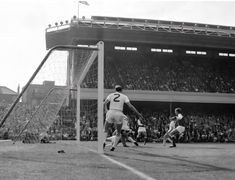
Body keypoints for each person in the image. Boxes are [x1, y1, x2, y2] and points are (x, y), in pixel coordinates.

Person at [103, 85, 143, 151]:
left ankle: (103, 142)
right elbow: (130, 106)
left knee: (106, 129)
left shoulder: (111, 95)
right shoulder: (124, 96)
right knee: (118, 132)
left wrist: (106, 110)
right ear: (121, 90)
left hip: (111, 111)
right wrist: (138, 113)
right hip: (119, 113)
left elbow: (105, 103)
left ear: (115, 90)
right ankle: (113, 147)